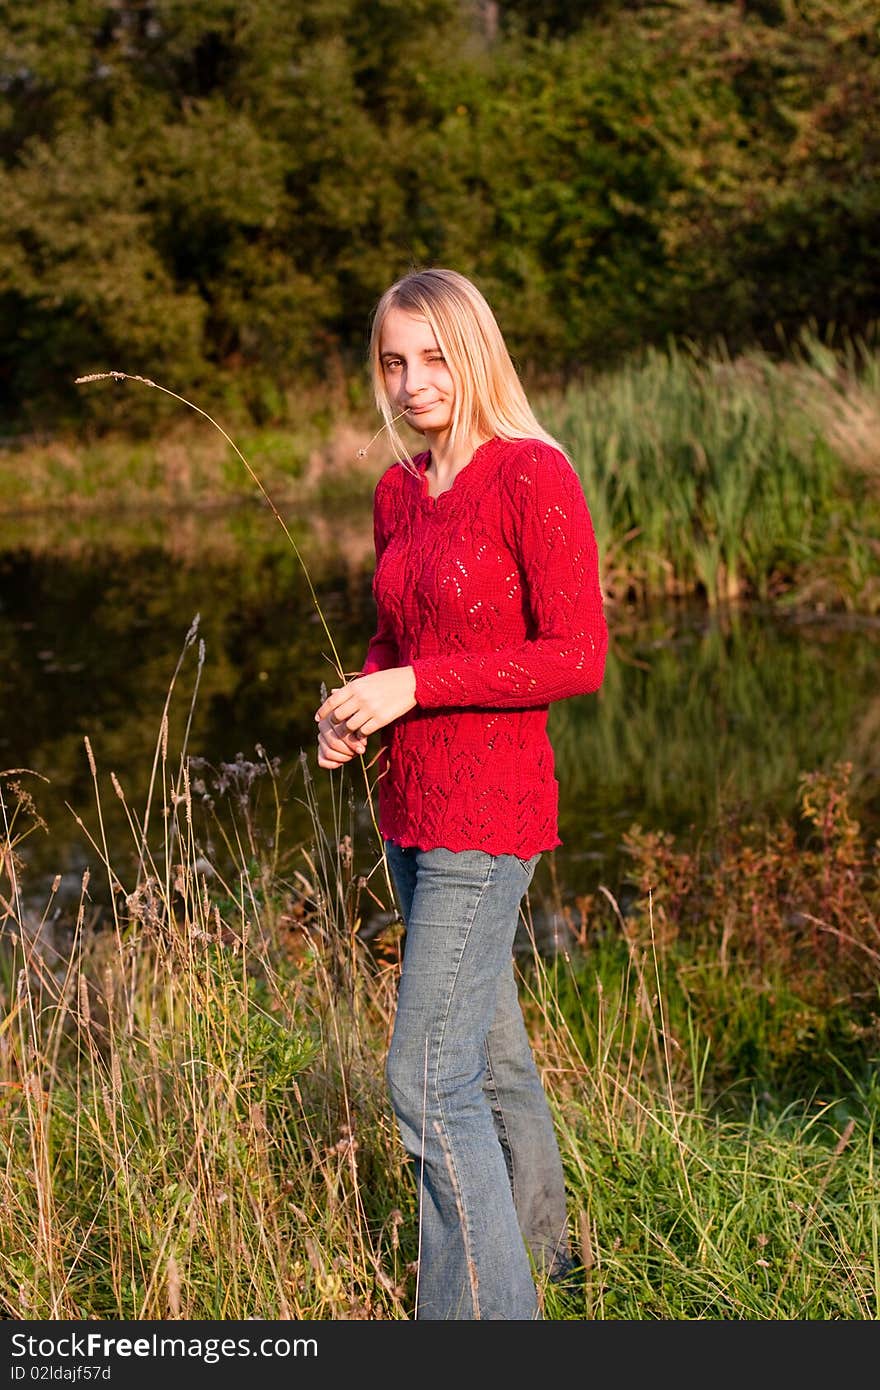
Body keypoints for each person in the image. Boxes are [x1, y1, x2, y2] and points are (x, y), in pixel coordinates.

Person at [314, 267, 608, 1320]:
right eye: (393, 361)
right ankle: (548, 1260)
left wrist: (414, 685)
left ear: (474, 351)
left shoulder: (530, 474)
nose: (410, 380)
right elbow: (398, 635)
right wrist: (355, 702)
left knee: (422, 1082)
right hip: (409, 805)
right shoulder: (400, 488)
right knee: (487, 1055)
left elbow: (577, 656)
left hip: (489, 815)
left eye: (432, 355)